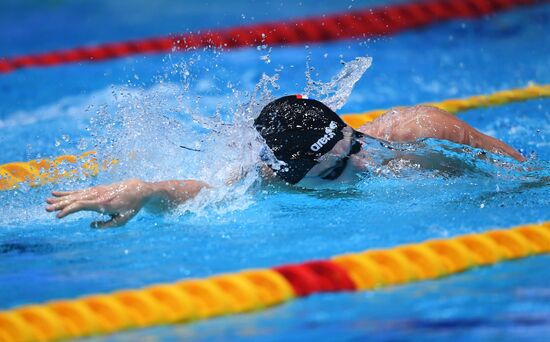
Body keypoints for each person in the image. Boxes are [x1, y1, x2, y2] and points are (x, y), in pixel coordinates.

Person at [45, 95, 525, 228]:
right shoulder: (275, 179)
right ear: (288, 177)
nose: (361, 166)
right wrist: (144, 191)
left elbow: (527, 176)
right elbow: (207, 196)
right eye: (333, 173)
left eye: (353, 147)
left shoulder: (423, 133)